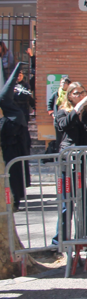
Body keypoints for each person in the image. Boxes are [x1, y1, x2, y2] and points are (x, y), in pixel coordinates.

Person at [53, 81, 87, 244]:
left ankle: (85, 238)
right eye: (77, 93)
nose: (81, 95)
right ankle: (60, 240)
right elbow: (64, 125)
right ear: (69, 96)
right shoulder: (62, 112)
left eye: (83, 92)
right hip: (69, 161)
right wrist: (79, 106)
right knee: (67, 202)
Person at [1, 64, 32, 211]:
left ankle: (14, 202)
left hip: (12, 152)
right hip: (11, 152)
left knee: (12, 178)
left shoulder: (13, 117)